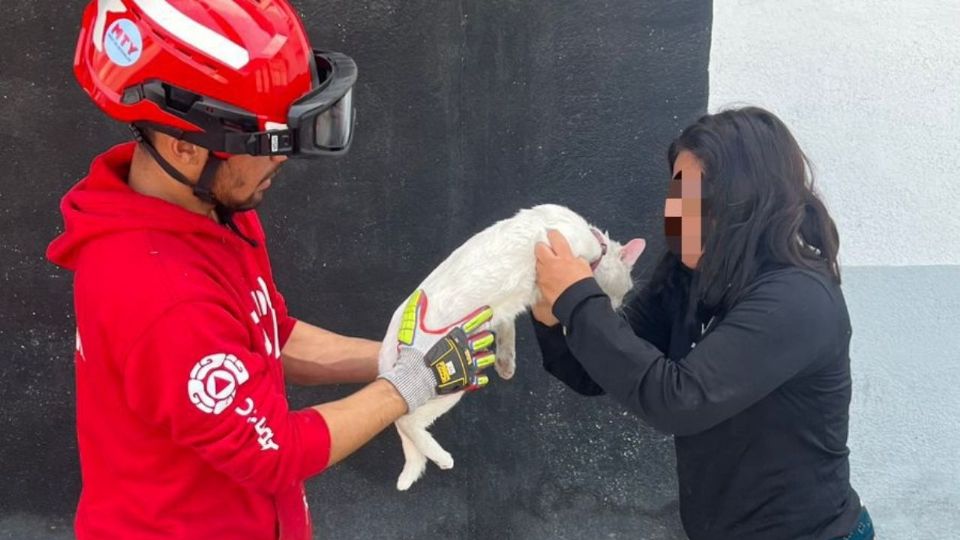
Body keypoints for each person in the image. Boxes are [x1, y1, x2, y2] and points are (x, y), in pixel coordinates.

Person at [47, 1, 496, 539]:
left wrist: (399, 354)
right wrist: (410, 385)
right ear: (186, 148)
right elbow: (276, 451)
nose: (282, 159)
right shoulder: (161, 295)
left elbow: (270, 341)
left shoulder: (215, 212)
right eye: (269, 142)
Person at [531, 107, 874, 540]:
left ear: (746, 199)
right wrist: (550, 315)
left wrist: (579, 299)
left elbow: (679, 400)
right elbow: (595, 370)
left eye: (693, 197)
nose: (675, 212)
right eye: (675, 193)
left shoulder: (796, 298)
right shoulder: (692, 272)